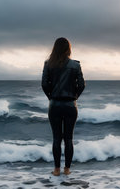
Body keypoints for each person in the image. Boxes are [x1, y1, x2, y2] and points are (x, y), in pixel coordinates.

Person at [42, 37, 85, 176]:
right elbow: (82, 85)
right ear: (68, 49)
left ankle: (56, 170)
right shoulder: (75, 65)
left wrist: (51, 96)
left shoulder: (48, 64)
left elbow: (44, 84)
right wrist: (74, 97)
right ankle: (67, 169)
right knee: (68, 139)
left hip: (54, 104)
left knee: (56, 138)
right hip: (70, 105)